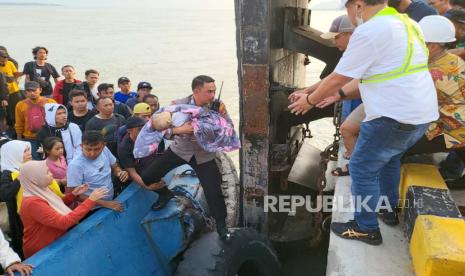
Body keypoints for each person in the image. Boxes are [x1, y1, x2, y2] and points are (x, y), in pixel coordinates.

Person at [289, 0, 438, 245]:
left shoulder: (370, 31)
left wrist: (310, 101)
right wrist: (311, 90)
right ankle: (387, 208)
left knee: (361, 168)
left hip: (392, 116)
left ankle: (365, 227)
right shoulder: (408, 24)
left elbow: (339, 77)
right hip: (420, 114)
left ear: (358, 6)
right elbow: (368, 73)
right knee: (390, 159)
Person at [140, 75, 233, 240]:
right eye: (209, 91)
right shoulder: (177, 106)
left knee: (214, 192)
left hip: (204, 155)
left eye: (214, 91)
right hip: (179, 150)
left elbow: (229, 129)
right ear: (196, 91)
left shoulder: (218, 107)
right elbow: (160, 130)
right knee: (147, 176)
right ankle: (165, 194)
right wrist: (179, 130)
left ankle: (221, 225)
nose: (213, 95)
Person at [403, 15, 465, 189]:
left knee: (396, 148)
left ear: (432, 46)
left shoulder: (432, 71)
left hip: (452, 126)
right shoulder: (453, 60)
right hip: (456, 121)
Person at [278, 15, 355, 143]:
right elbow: (333, 77)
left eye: (337, 37)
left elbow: (337, 81)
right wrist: (307, 91)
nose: (334, 42)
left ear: (350, 34)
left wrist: (309, 101)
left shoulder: (359, 53)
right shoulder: (349, 52)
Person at [20, 160, 108, 258]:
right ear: (35, 178)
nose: (51, 174)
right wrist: (90, 200)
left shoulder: (40, 189)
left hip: (53, 243)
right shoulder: (33, 203)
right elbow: (63, 222)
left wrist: (74, 194)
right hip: (42, 252)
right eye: (47, 172)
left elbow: (56, 206)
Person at [67, 131, 128, 212]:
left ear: (103, 146)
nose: (92, 153)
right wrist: (105, 203)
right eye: (88, 149)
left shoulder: (105, 150)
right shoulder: (75, 165)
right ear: (81, 146)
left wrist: (120, 173)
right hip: (91, 210)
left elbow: (114, 166)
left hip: (111, 200)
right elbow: (75, 194)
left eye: (97, 149)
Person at [0, 141, 31, 257]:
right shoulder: (7, 173)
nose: (29, 153)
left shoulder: (30, 165)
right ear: (14, 154)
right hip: (18, 217)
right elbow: (5, 194)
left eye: (28, 149)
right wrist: (18, 179)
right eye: (25, 151)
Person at [117, 116, 163, 191]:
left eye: (145, 128)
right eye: (139, 129)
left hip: (148, 164)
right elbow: (132, 173)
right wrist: (147, 187)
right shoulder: (124, 148)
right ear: (129, 131)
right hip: (136, 171)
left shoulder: (148, 136)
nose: (144, 132)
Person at [15, 81, 56, 160]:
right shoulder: (20, 105)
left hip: (48, 137)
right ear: (25, 92)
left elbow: (56, 119)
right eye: (29, 91)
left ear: (40, 90)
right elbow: (19, 123)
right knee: (35, 161)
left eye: (34, 90)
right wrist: (19, 139)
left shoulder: (50, 102)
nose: (32, 93)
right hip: (30, 138)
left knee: (50, 160)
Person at [0, 51, 18, 132]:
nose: (4, 60)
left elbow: (15, 74)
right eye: (2, 58)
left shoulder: (10, 63)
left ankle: (13, 128)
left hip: (13, 91)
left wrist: (15, 80)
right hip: (4, 94)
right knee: (5, 114)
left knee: (12, 111)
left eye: (5, 58)